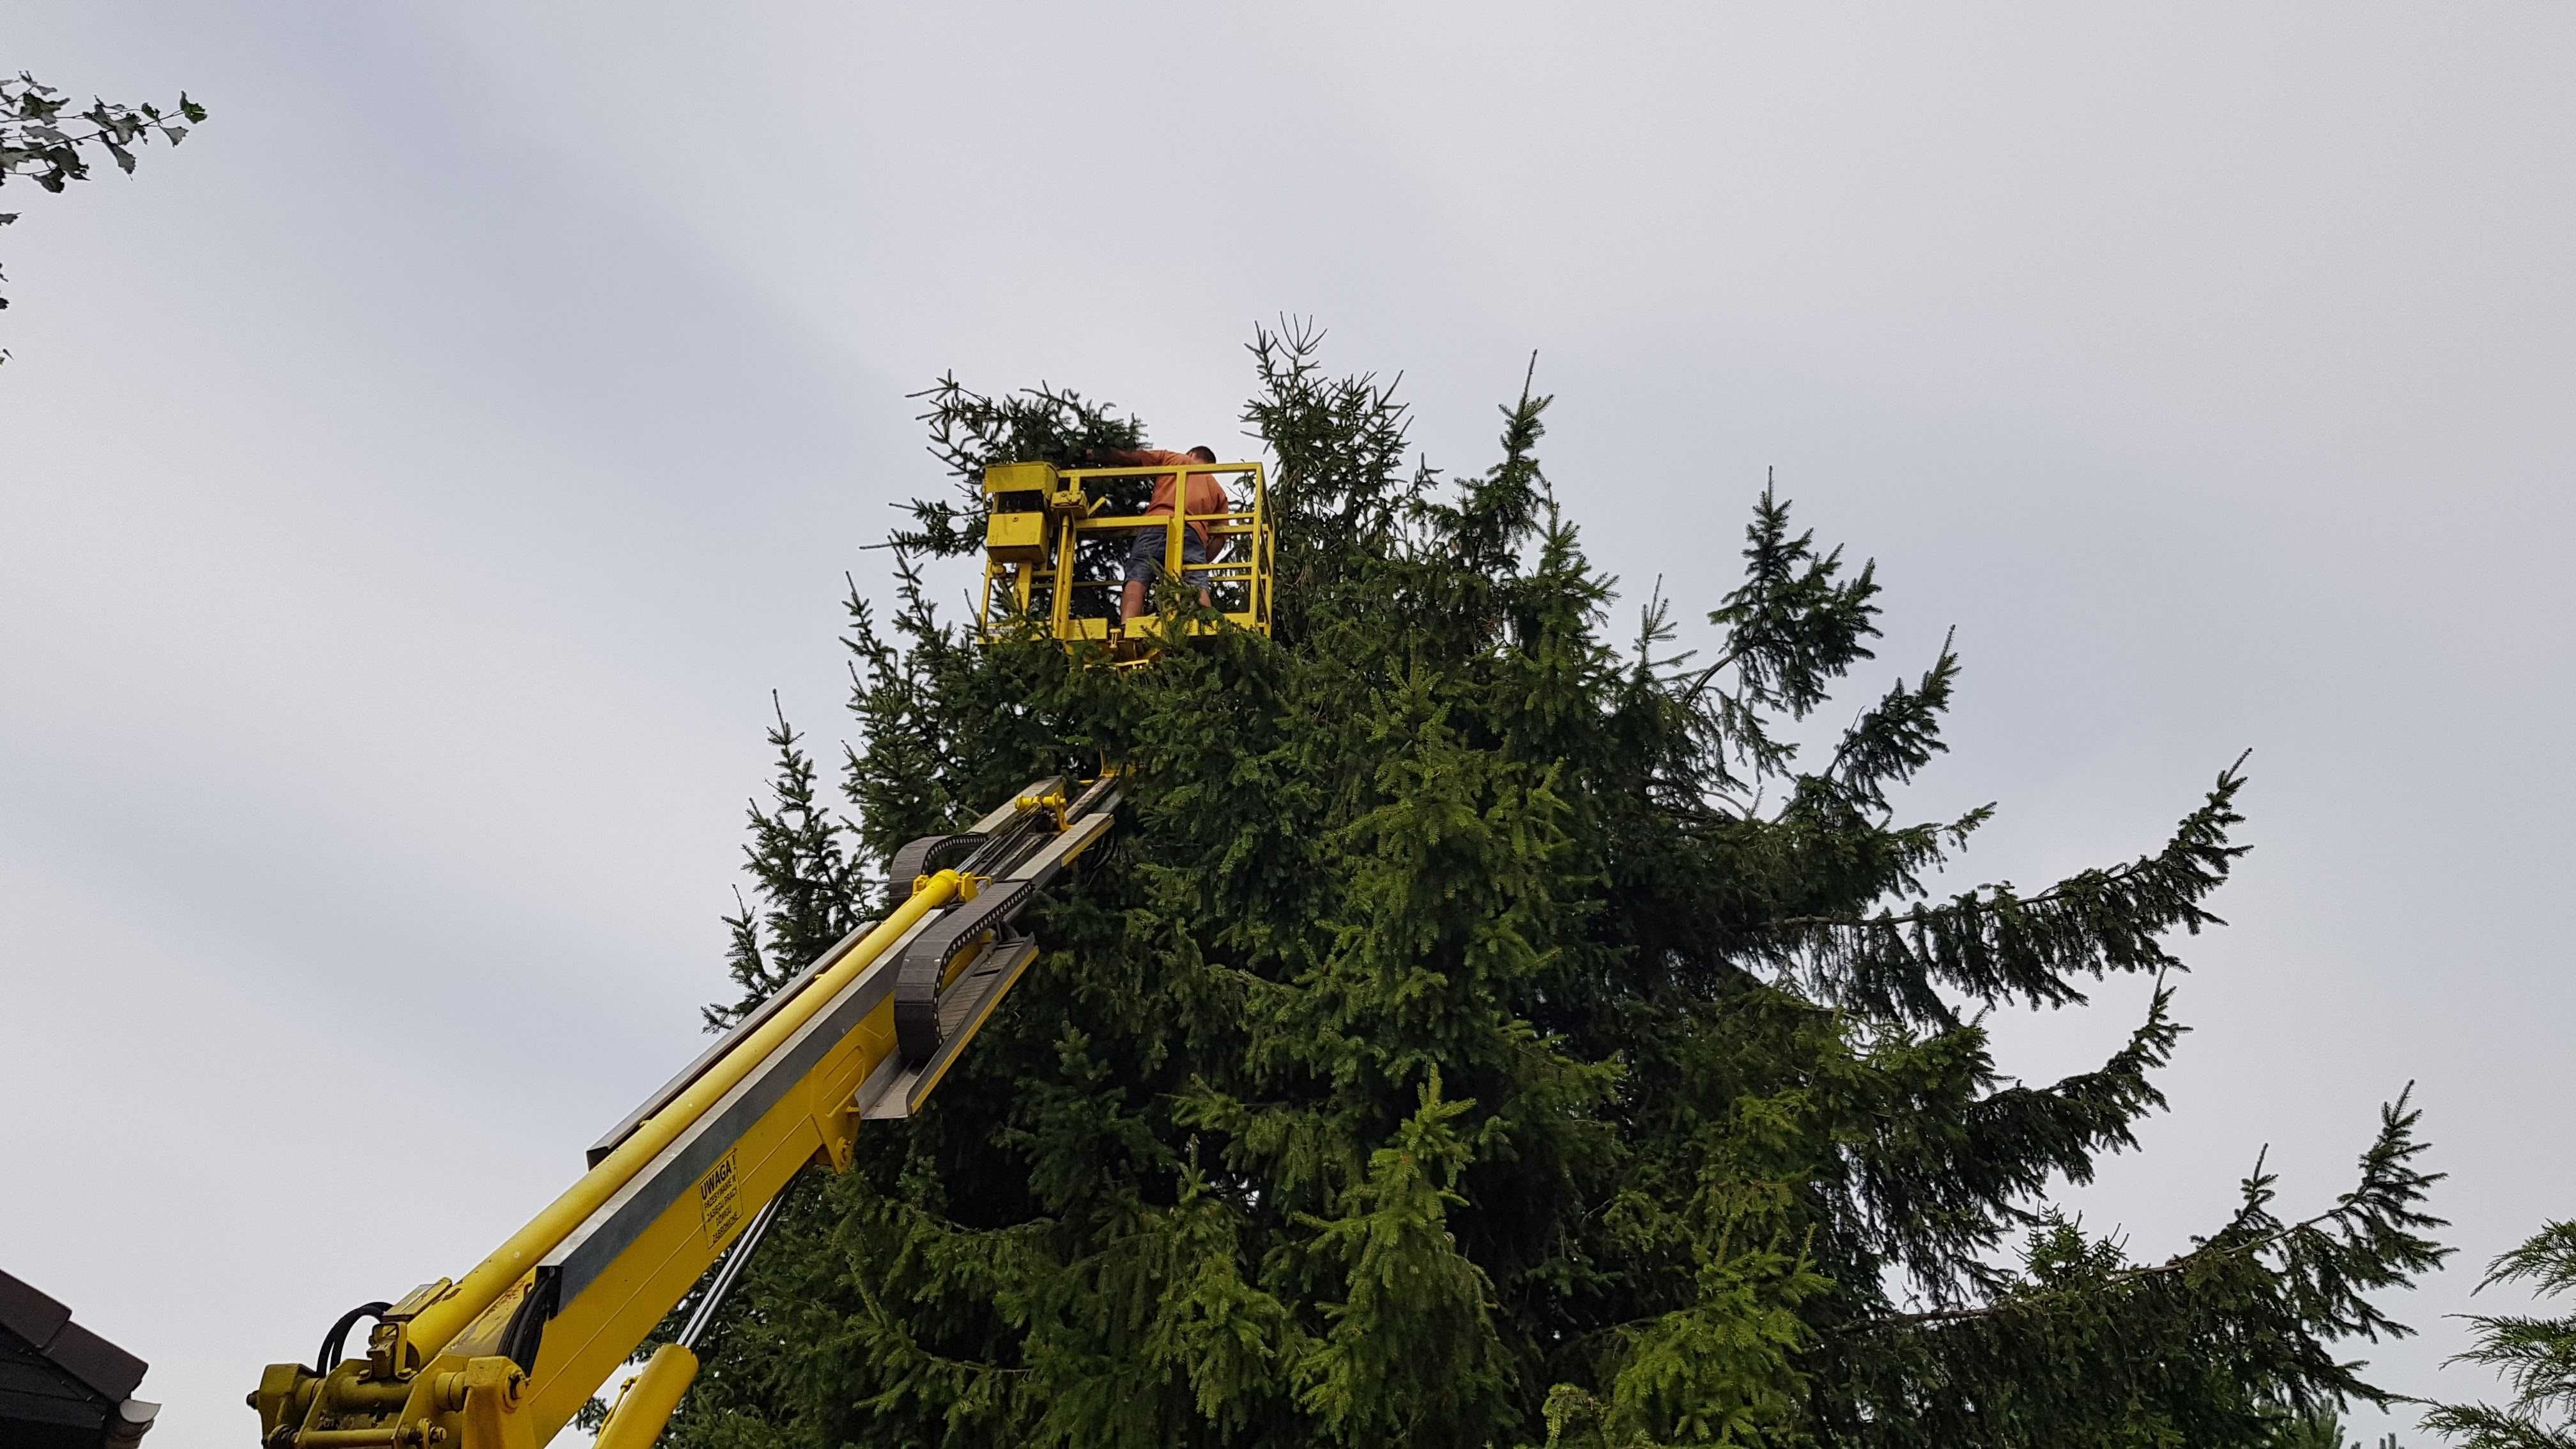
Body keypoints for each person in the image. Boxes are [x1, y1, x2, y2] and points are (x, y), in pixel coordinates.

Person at [1094, 445, 1229, 622]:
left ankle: (1128, 624)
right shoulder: (1217, 489)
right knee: (1197, 583)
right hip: (1193, 533)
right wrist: (1202, 560)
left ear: (1191, 454)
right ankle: (1205, 626)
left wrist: (1094, 453)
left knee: (1138, 575)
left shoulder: (1174, 459)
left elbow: (1135, 457)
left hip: (1157, 523)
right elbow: (1221, 537)